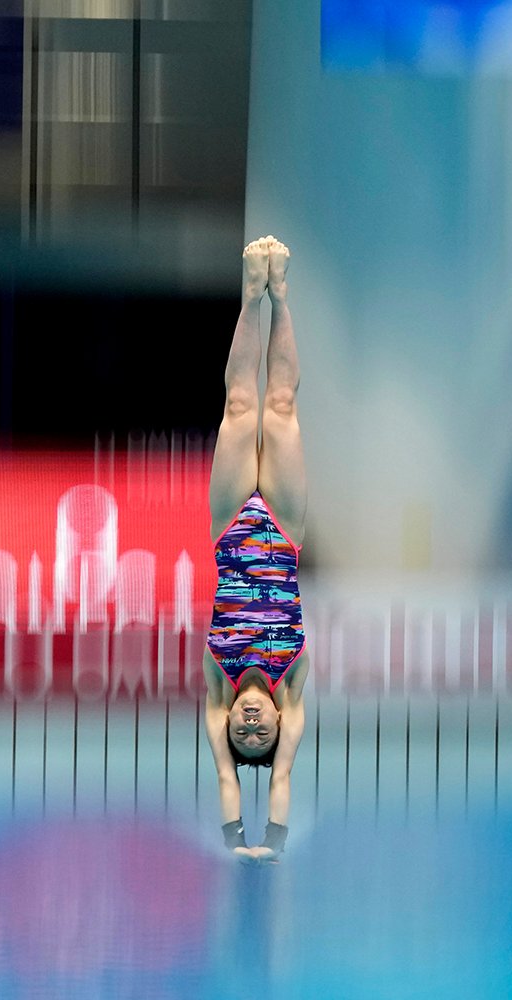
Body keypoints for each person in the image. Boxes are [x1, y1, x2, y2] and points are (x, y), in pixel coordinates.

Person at [203, 235, 310, 861]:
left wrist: (232, 840)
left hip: (230, 529)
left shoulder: (217, 682)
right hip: (285, 533)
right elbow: (284, 776)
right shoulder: (290, 686)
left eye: (239, 734)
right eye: (257, 735)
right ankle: (283, 297)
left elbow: (224, 776)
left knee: (240, 409)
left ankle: (251, 295)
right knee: (282, 408)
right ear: (274, 725)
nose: (248, 728)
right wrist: (269, 842)